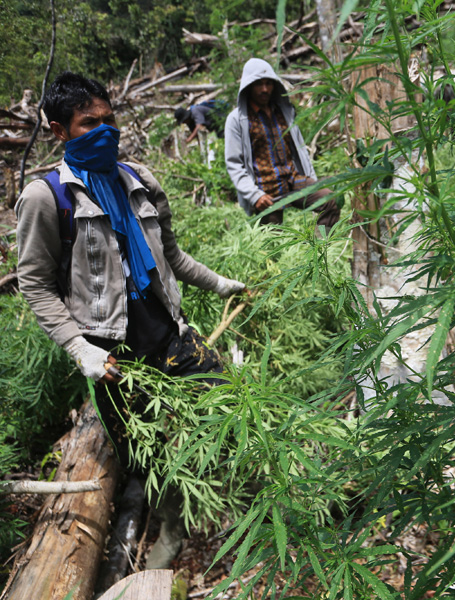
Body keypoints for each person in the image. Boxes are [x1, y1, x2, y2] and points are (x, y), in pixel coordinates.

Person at [15, 72, 245, 569]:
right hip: (114, 355)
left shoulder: (138, 179)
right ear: (58, 131)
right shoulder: (46, 198)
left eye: (110, 119)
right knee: (143, 447)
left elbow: (173, 257)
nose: (106, 131)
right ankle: (170, 528)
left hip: (169, 334)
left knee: (231, 401)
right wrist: (81, 350)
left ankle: (236, 501)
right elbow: (34, 284)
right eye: (89, 123)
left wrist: (221, 283)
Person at [224, 58, 339, 229]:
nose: (265, 89)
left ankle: (319, 250)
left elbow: (298, 147)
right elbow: (234, 164)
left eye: (268, 83)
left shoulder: (283, 112)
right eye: (259, 84)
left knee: (330, 201)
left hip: (293, 180)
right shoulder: (237, 120)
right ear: (249, 86)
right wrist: (255, 195)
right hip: (266, 192)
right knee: (273, 245)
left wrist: (309, 175)